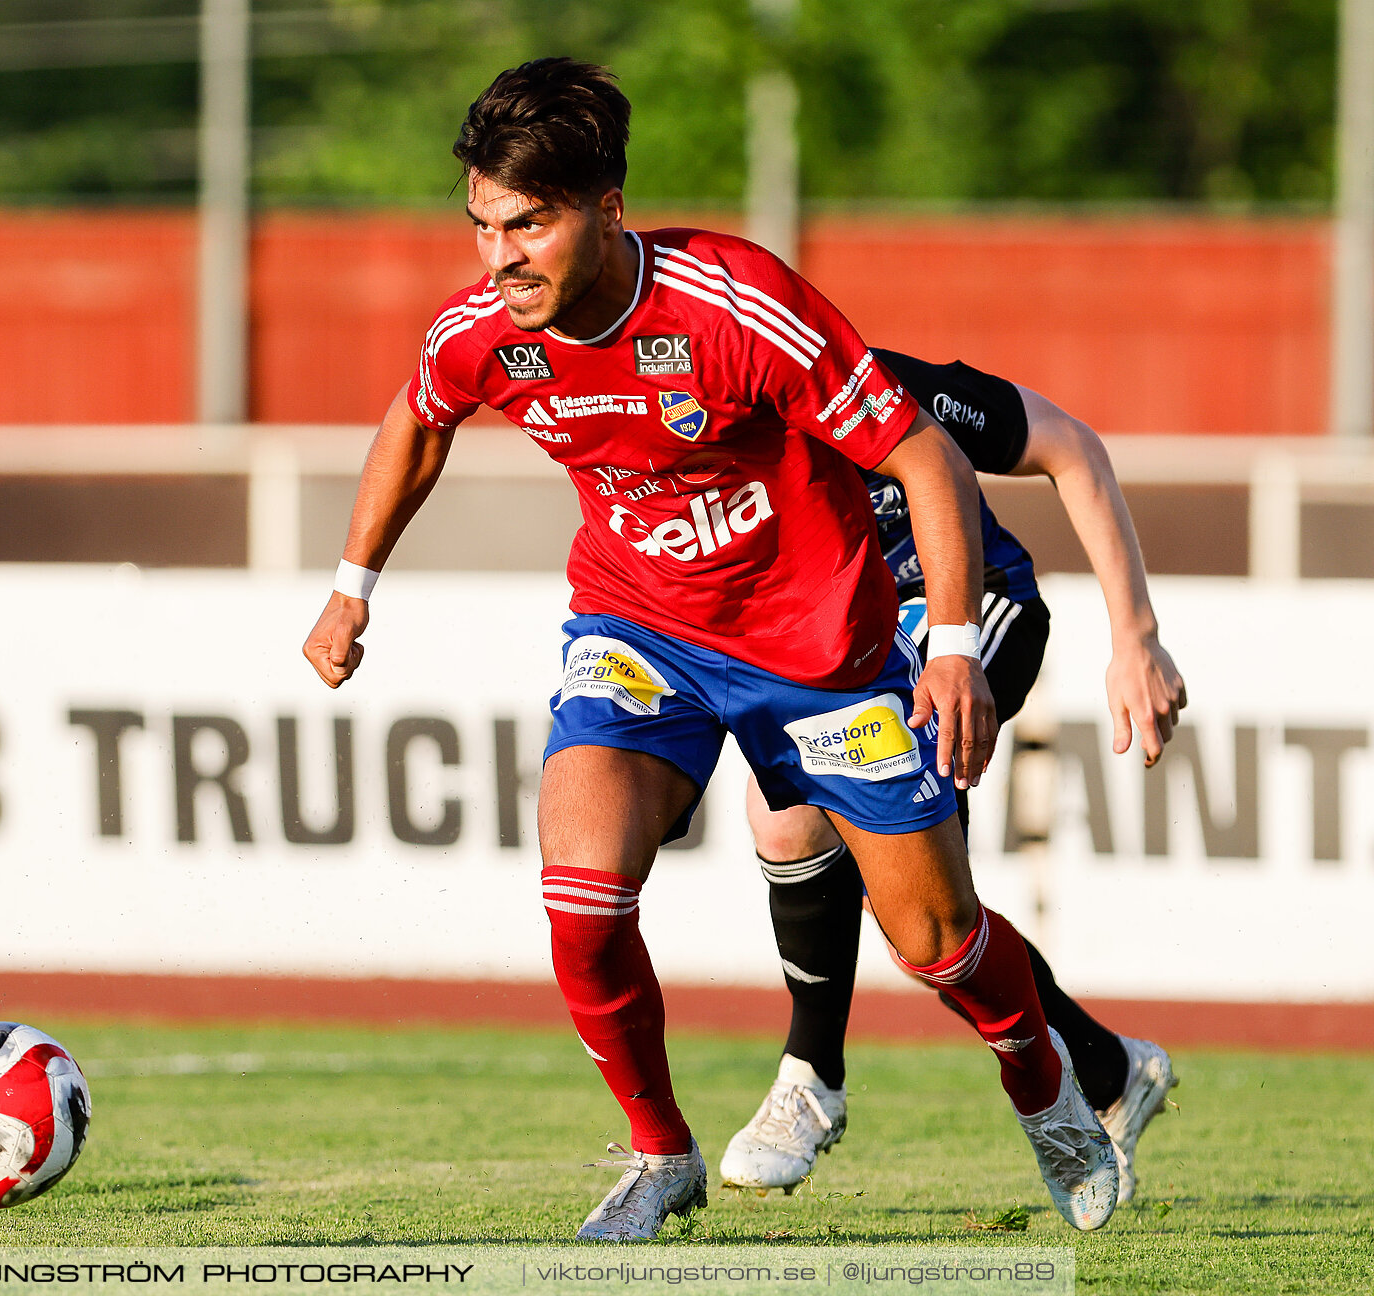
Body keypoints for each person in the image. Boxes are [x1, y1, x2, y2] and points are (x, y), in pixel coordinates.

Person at [302, 58, 1118, 1241]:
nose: (500, 258)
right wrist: (350, 588)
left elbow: (925, 459)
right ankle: (659, 1155)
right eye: (482, 225)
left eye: (528, 224)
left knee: (937, 946)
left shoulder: (737, 309)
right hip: (640, 631)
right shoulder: (489, 329)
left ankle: (1047, 1091)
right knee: (580, 896)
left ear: (609, 209)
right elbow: (418, 415)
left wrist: (946, 645)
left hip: (819, 653)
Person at [720, 354, 1185, 1207]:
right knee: (922, 924)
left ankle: (810, 1077)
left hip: (976, 618)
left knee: (797, 823)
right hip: (847, 652)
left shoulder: (884, 383)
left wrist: (1135, 636)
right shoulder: (706, 426)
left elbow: (1071, 448)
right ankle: (1109, 1069)